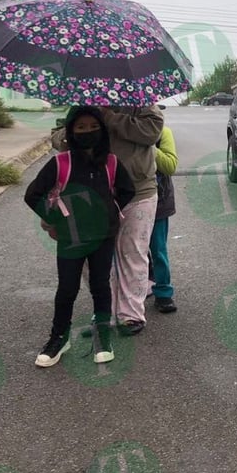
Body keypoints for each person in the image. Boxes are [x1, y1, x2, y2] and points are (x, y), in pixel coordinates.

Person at [25, 106, 135, 367]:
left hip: (102, 236)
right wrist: (54, 219)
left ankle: (103, 336)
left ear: (102, 130)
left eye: (94, 126)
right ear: (71, 131)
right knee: (67, 288)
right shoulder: (60, 163)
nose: (88, 132)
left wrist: (110, 209)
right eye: (81, 127)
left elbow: (127, 190)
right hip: (71, 239)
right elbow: (32, 194)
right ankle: (59, 338)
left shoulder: (111, 162)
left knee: (100, 285)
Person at [56, 106, 164, 335]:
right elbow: (57, 135)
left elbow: (152, 132)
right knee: (92, 258)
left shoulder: (142, 101)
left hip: (137, 191)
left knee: (132, 253)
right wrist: (80, 132)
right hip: (92, 193)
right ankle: (105, 313)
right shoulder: (82, 101)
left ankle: (131, 315)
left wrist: (109, 117)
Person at [149, 124, 178, 313]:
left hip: (158, 201)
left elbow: (170, 166)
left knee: (157, 247)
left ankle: (163, 292)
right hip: (123, 200)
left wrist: (148, 146)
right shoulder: (112, 130)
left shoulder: (162, 132)